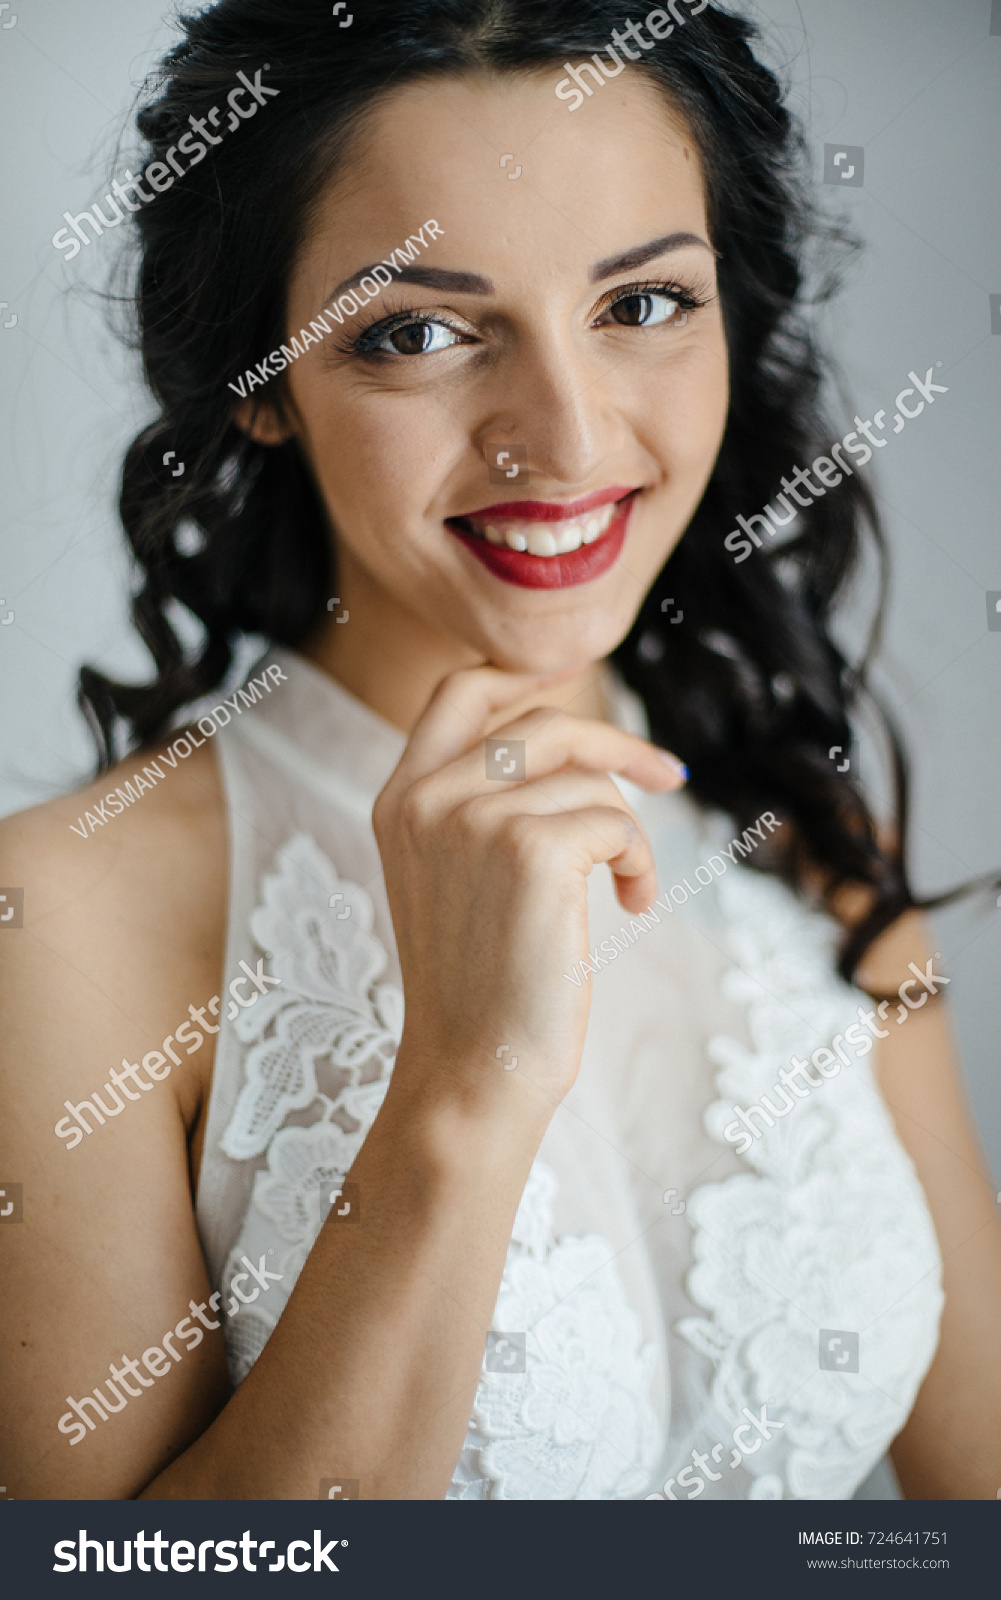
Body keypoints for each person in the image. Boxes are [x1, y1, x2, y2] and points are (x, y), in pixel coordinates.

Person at [2, 0, 999, 1502]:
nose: (571, 440)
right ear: (262, 384)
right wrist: (464, 1090)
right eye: (418, 332)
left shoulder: (799, 844)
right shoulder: (63, 922)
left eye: (642, 305)